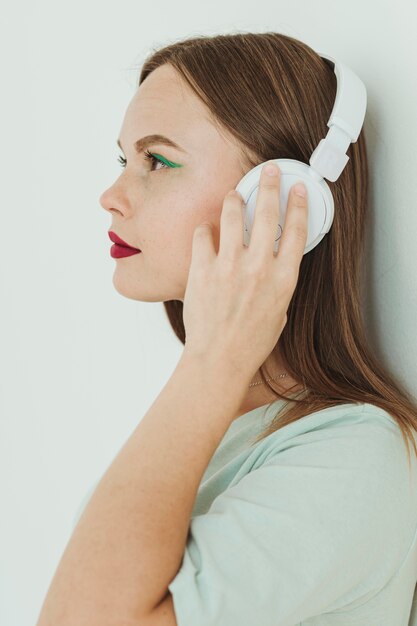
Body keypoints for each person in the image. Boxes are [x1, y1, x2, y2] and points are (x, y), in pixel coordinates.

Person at [71, 32, 417, 625]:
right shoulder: (218, 413)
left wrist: (212, 362)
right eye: (124, 159)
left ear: (282, 203)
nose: (112, 195)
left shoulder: (354, 457)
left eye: (158, 160)